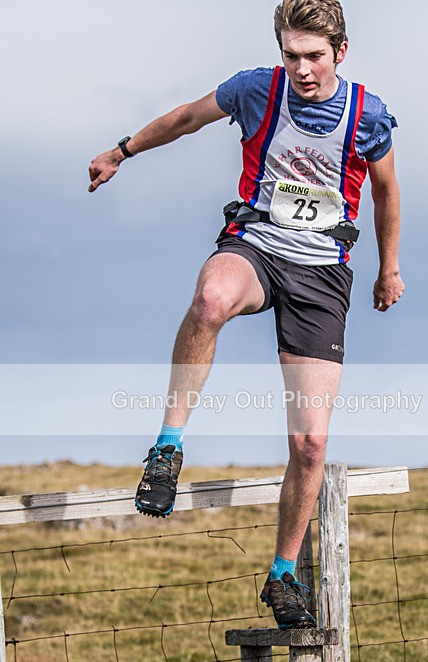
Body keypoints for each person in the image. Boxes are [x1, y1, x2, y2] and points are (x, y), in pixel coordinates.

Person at [88, 0, 405, 630]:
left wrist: (388, 268)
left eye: (314, 56)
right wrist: (122, 150)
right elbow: (185, 119)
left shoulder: (366, 114)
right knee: (209, 298)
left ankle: (282, 574)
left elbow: (388, 192)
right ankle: (167, 448)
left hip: (321, 274)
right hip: (257, 245)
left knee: (309, 444)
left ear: (340, 53)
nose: (303, 70)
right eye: (291, 55)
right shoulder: (256, 90)